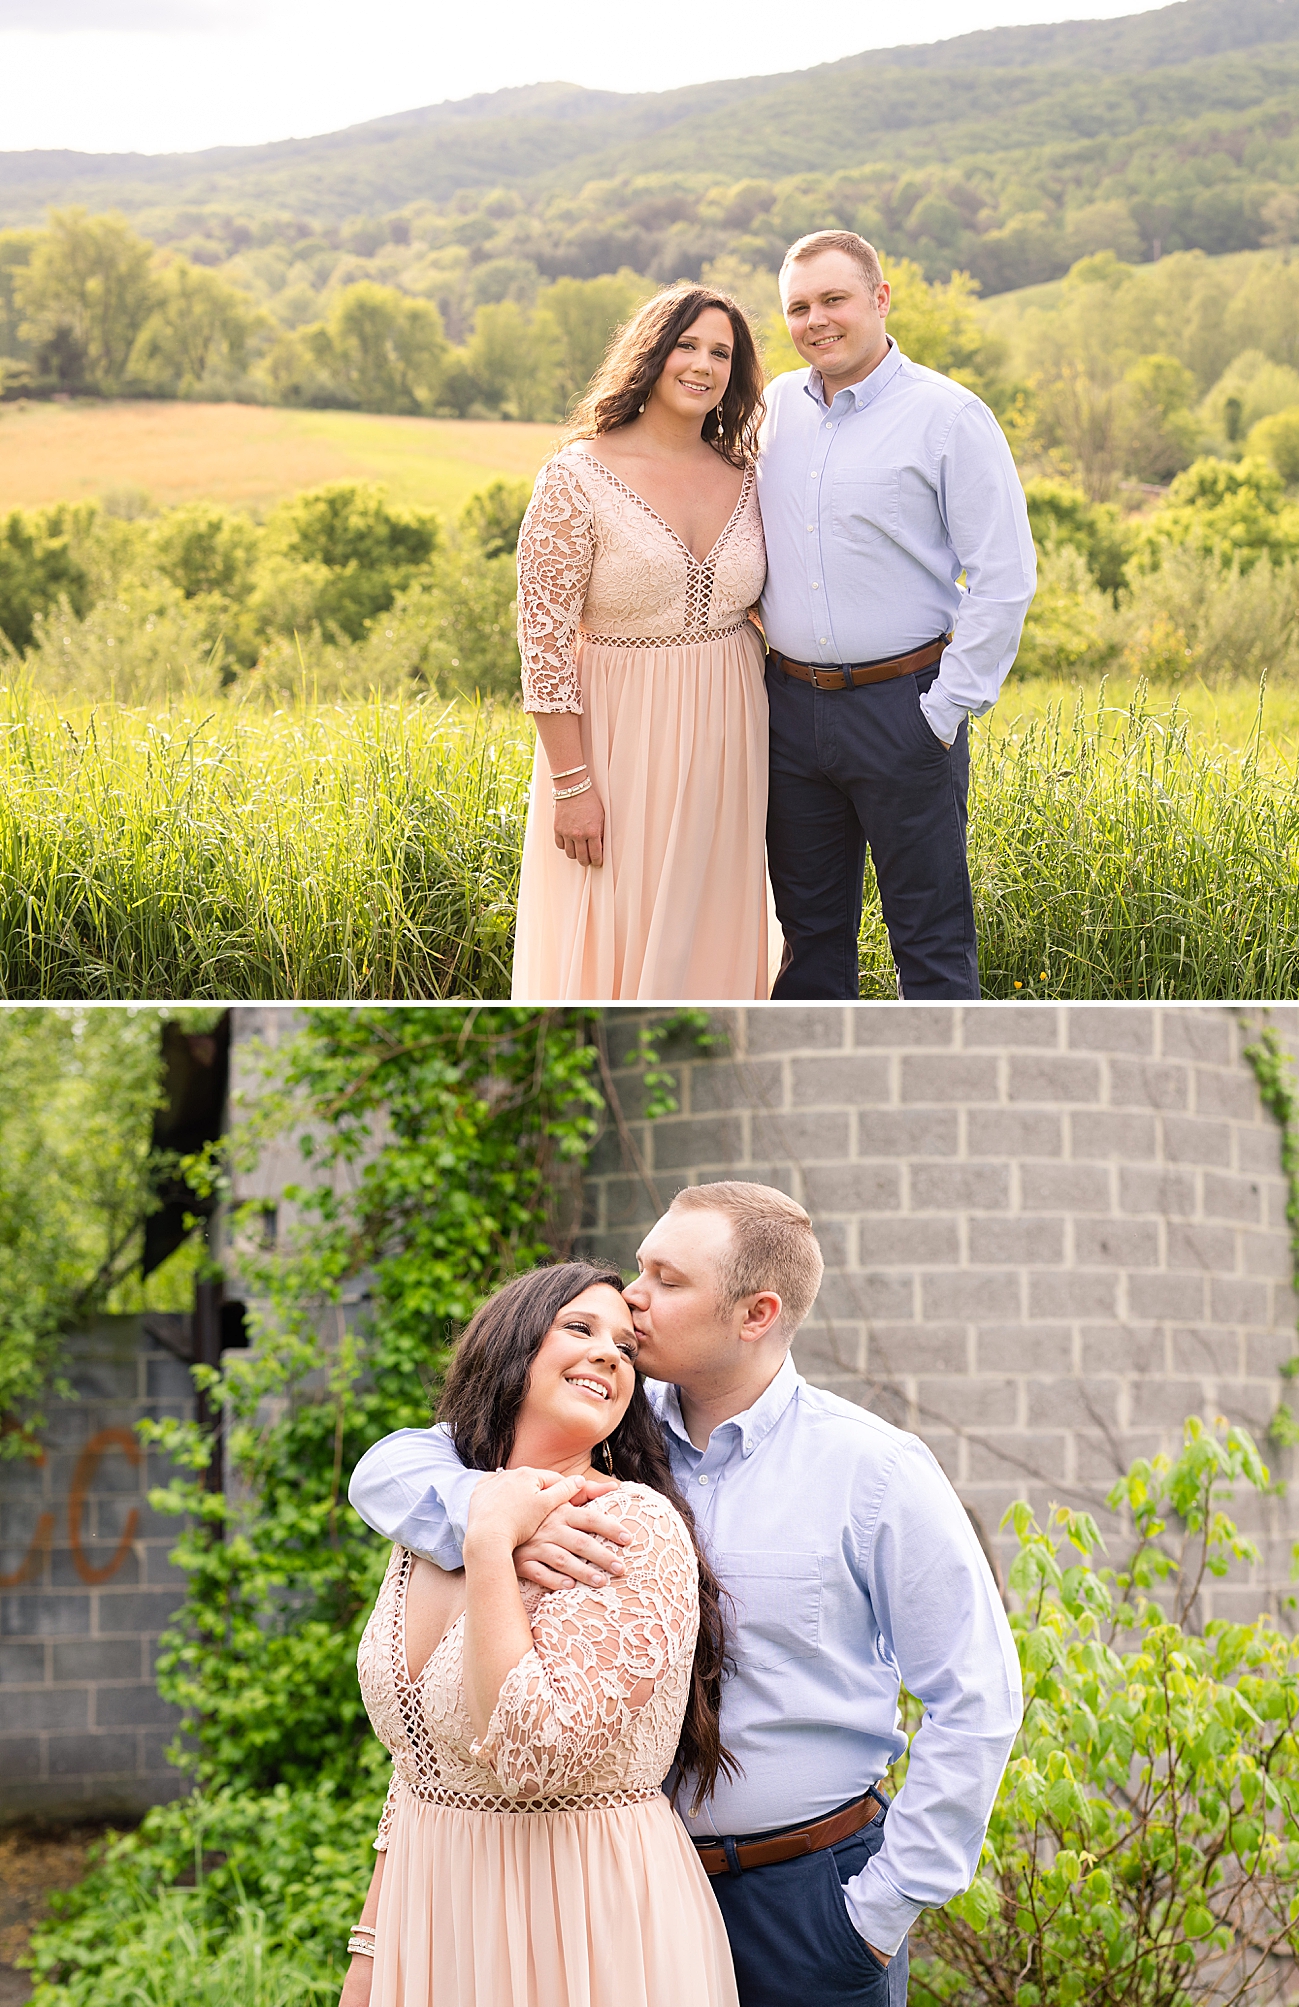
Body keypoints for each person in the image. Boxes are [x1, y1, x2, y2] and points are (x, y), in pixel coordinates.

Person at [350, 1183, 1024, 2007]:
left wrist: (876, 1914)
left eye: (667, 1280)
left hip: (806, 1898)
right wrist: (484, 1515)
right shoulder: (608, 1429)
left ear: (755, 1312)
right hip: (610, 1890)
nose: (633, 1298)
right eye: (640, 1268)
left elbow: (978, 1696)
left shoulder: (873, 1471)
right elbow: (390, 1468)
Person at [338, 1262, 739, 2007]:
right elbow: (419, 1767)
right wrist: (370, 1952)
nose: (609, 1354)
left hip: (583, 1928)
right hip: (434, 1927)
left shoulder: (629, 1528)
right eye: (580, 1329)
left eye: (625, 1347)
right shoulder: (429, 1529)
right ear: (511, 1347)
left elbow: (533, 1755)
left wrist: (493, 1548)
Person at [756, 230, 1037, 999]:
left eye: (834, 299)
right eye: (799, 307)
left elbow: (1006, 578)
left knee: (932, 944)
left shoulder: (948, 417)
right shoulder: (773, 408)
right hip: (786, 716)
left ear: (880, 299)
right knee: (807, 947)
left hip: (904, 711)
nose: (816, 320)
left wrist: (941, 713)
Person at [510, 284, 772, 1001]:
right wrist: (572, 786)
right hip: (618, 740)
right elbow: (545, 647)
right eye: (687, 345)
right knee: (614, 929)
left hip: (733, 740)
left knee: (711, 928)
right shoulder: (576, 477)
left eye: (721, 352)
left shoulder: (749, 477)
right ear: (651, 355)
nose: (702, 365)